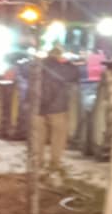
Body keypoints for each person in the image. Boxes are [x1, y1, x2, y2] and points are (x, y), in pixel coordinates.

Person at [34, 49, 81, 177]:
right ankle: (54, 165)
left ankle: (38, 165)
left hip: (38, 109)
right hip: (58, 110)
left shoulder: (36, 67)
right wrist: (68, 63)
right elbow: (76, 74)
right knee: (58, 138)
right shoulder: (64, 68)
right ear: (59, 56)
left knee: (38, 138)